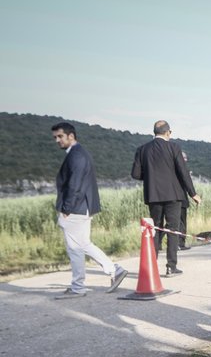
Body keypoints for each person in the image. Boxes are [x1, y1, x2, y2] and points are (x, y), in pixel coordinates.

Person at [51, 122, 128, 298]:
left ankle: (78, 287)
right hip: (82, 207)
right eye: (55, 137)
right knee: (83, 244)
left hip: (75, 209)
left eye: (60, 136)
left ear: (71, 136)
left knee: (74, 248)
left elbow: (75, 185)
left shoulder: (76, 155)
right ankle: (115, 270)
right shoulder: (78, 153)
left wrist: (67, 209)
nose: (57, 140)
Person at [132, 121, 201, 277]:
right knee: (172, 230)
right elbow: (183, 172)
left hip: (153, 195)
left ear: (155, 132)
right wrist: (193, 194)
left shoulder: (142, 149)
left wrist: (150, 177)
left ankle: (151, 266)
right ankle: (171, 266)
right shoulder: (173, 147)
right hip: (173, 195)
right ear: (168, 132)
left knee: (155, 229)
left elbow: (135, 174)